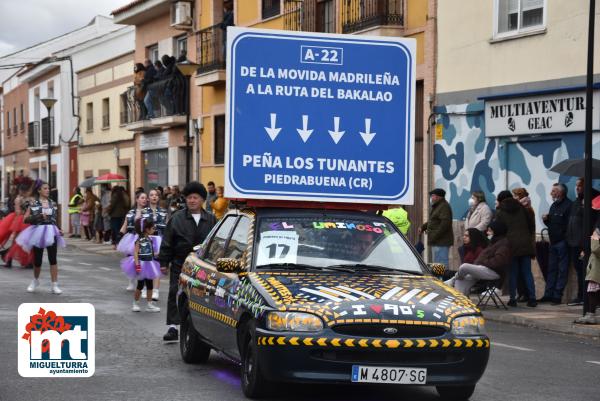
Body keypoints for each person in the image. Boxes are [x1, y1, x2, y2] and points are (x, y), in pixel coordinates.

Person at [160, 182, 217, 341]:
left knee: (201, 295)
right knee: (174, 292)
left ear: (202, 200)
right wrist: (163, 263)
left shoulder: (211, 219)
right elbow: (167, 241)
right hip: (180, 263)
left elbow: (216, 243)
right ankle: (173, 327)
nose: (192, 201)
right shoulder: (177, 218)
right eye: (189, 198)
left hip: (203, 267)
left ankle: (201, 327)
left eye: (195, 198)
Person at [17, 181, 66, 294]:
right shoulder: (33, 204)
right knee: (37, 260)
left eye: (48, 188)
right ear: (39, 190)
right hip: (38, 232)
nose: (48, 190)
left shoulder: (53, 203)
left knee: (53, 259)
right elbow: (25, 219)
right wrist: (38, 216)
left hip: (51, 231)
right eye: (45, 188)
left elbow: (55, 219)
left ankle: (55, 285)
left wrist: (59, 229)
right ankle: (35, 281)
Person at [445, 221, 511, 296]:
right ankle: (461, 300)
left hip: (493, 271)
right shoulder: (493, 242)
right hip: (483, 269)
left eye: (490, 231)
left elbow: (498, 261)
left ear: (497, 231)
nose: (488, 233)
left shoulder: (503, 244)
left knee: (464, 267)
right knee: (461, 280)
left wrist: (483, 262)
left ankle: (453, 280)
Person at [495, 190, 537, 307]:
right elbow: (530, 225)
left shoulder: (500, 212)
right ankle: (532, 298)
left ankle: (512, 299)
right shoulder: (522, 208)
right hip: (525, 243)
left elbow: (499, 229)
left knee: (513, 273)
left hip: (510, 245)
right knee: (527, 272)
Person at [540, 183, 572, 305]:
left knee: (562, 270)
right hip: (553, 242)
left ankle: (557, 296)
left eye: (554, 191)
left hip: (562, 242)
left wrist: (563, 237)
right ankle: (548, 294)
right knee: (551, 269)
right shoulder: (554, 205)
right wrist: (546, 220)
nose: (551, 193)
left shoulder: (569, 205)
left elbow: (569, 225)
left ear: (560, 192)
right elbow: (553, 225)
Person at [120, 218, 161, 312]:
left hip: (150, 264)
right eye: (152, 228)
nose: (154, 230)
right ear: (147, 229)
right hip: (142, 265)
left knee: (150, 285)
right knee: (140, 285)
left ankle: (149, 304)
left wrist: (156, 254)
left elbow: (150, 252)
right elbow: (135, 253)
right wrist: (137, 265)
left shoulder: (150, 239)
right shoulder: (139, 240)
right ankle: (135, 303)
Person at [566, 178, 589, 306]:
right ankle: (581, 295)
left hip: (583, 243)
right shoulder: (576, 202)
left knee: (584, 271)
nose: (577, 188)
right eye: (576, 186)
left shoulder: (590, 200)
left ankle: (585, 296)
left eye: (580, 185)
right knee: (579, 270)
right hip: (572, 242)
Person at [119, 191, 149, 291]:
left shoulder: (149, 213)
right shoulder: (130, 213)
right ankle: (131, 281)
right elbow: (125, 225)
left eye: (145, 198)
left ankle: (144, 284)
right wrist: (119, 236)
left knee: (144, 261)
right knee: (130, 260)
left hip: (143, 239)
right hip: (131, 238)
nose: (144, 200)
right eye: (142, 198)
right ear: (137, 199)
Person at [511, 187, 536, 302]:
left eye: (515, 195)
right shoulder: (527, 209)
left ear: (520, 196)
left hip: (520, 245)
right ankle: (526, 295)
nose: (514, 198)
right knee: (524, 272)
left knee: (521, 272)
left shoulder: (522, 210)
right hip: (525, 245)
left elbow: (531, 229)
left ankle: (528, 296)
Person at [143, 189, 168, 301]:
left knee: (157, 264)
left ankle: (156, 290)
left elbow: (168, 228)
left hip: (159, 240)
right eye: (151, 195)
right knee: (146, 264)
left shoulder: (164, 212)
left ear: (158, 197)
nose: (154, 197)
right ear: (148, 198)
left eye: (156, 195)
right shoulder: (144, 211)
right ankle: (145, 288)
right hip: (147, 240)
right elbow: (140, 227)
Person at [420, 188, 453, 268]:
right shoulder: (438, 206)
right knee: (437, 263)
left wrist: (434, 235)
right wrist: (423, 227)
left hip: (441, 241)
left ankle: (443, 279)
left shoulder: (444, 207)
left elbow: (445, 224)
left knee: (441, 263)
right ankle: (439, 278)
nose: (431, 198)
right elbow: (433, 221)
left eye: (433, 196)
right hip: (437, 240)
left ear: (439, 197)